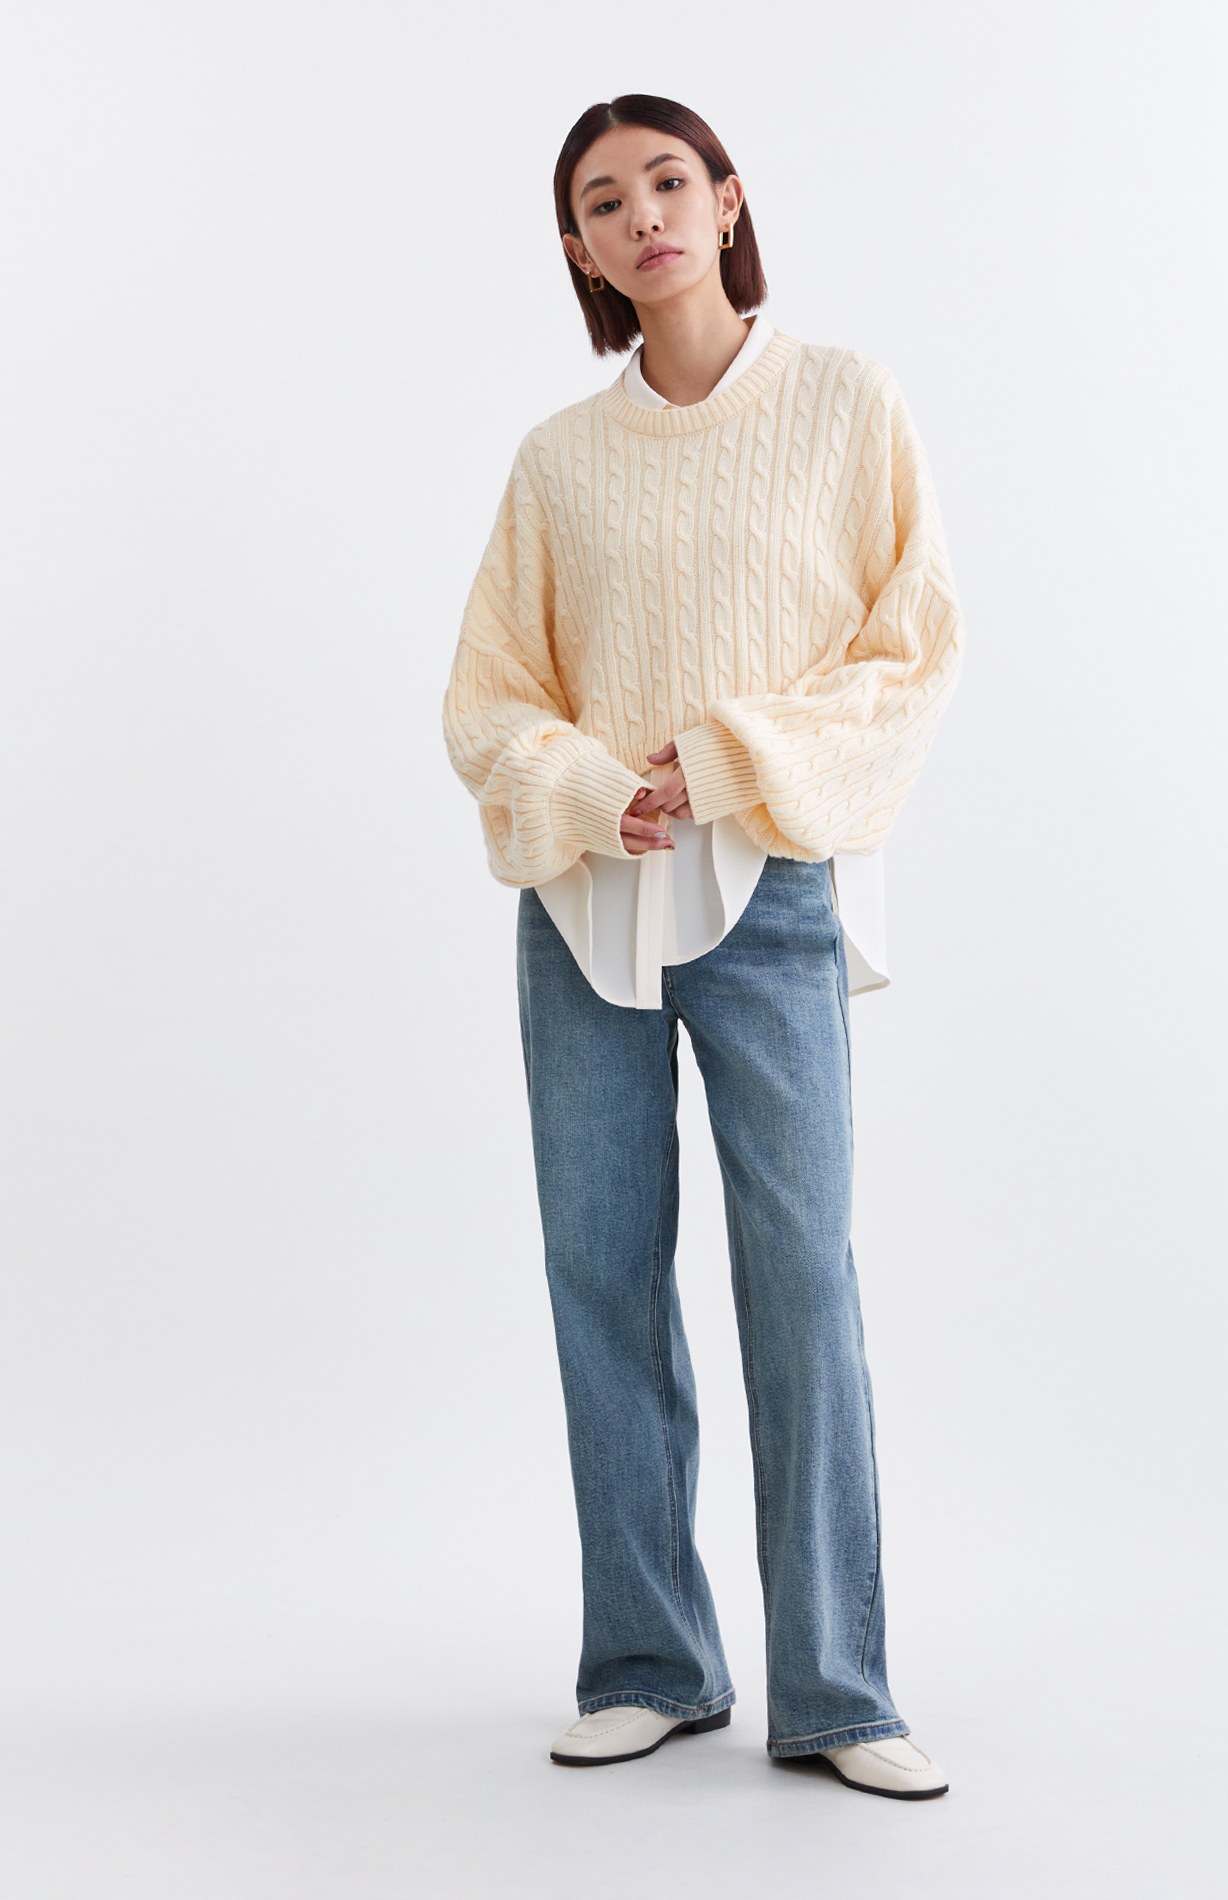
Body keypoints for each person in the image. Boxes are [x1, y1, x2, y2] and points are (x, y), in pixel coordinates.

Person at [442, 93, 966, 1802]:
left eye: (669, 181)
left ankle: (838, 1688)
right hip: (585, 903)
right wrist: (592, 788)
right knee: (601, 1272)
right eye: (605, 201)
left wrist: (730, 759)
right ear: (580, 248)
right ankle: (649, 1662)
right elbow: (488, 699)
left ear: (728, 201)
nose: (644, 216)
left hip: (774, 889)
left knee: (800, 1279)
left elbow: (911, 649)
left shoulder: (844, 402)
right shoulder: (558, 459)